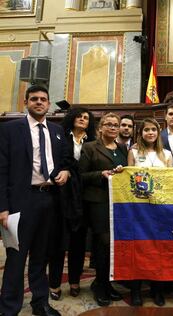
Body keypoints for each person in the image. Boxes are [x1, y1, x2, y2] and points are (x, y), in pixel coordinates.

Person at [0, 85, 70, 316]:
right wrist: (3, 207)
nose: (39, 102)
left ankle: (40, 303)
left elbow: (64, 161)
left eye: (43, 99)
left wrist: (66, 172)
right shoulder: (10, 130)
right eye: (34, 99)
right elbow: (1, 170)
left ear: (49, 104)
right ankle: (9, 307)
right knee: (16, 257)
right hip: (21, 201)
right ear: (26, 102)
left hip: (49, 200)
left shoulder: (57, 131)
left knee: (41, 255)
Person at [78, 113, 128, 307]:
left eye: (116, 125)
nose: (113, 128)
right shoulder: (90, 147)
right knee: (103, 244)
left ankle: (106, 284)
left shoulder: (122, 148)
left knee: (112, 246)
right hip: (97, 201)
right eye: (109, 124)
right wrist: (101, 174)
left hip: (118, 202)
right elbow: (81, 175)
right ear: (100, 127)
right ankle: (100, 285)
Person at [48, 107, 96, 301]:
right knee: (58, 243)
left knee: (78, 242)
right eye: (79, 116)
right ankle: (54, 283)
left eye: (86, 117)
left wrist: (72, 170)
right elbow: (53, 162)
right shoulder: (59, 137)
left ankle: (75, 281)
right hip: (61, 196)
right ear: (71, 118)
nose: (82, 119)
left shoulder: (93, 141)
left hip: (83, 198)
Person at [127, 118, 173, 306]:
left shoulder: (167, 154)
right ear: (141, 132)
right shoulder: (134, 151)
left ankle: (157, 290)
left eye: (153, 129)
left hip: (160, 209)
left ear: (158, 132)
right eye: (146, 130)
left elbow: (172, 181)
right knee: (138, 249)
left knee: (158, 249)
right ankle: (136, 290)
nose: (150, 133)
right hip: (138, 208)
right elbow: (128, 178)